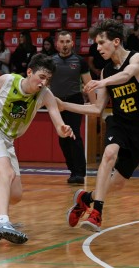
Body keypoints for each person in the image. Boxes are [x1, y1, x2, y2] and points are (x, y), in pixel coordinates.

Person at [0, 53, 75, 244]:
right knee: (6, 174)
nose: (43, 83)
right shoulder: (8, 81)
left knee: (15, 195)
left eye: (48, 79)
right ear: (29, 72)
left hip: (7, 139)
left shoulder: (45, 95)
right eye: (41, 77)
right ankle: (2, 222)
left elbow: (57, 120)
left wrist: (63, 129)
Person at [63, 18, 139, 232]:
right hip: (119, 124)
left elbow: (126, 75)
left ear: (116, 41)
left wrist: (101, 82)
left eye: (101, 42)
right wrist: (63, 105)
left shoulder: (137, 58)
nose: (98, 47)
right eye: (96, 44)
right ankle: (97, 214)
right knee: (109, 154)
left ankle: (86, 198)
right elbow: (97, 109)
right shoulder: (105, 71)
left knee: (119, 183)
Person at [50, 30, 96, 185]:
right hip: (56, 104)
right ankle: (72, 170)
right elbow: (45, 83)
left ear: (72, 43)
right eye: (61, 42)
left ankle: (79, 173)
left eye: (67, 41)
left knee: (74, 135)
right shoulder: (50, 61)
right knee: (62, 137)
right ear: (57, 44)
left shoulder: (80, 61)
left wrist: (95, 105)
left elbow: (89, 84)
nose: (64, 45)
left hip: (74, 102)